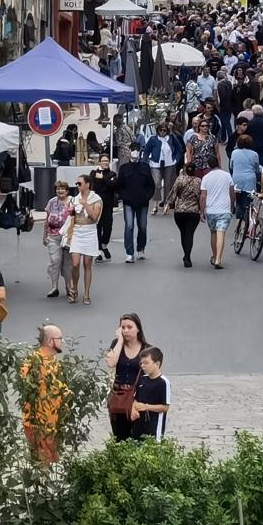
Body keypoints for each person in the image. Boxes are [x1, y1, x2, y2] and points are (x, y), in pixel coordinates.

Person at [20, 324, 67, 464]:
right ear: (50, 341)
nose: (61, 341)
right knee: (42, 463)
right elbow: (23, 381)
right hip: (38, 422)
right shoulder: (34, 360)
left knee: (50, 461)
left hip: (52, 421)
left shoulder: (53, 361)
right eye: (59, 338)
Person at [102, 313, 147, 441]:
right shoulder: (117, 344)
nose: (126, 330)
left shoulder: (146, 349)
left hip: (138, 399)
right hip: (118, 397)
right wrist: (120, 341)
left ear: (138, 328)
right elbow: (111, 362)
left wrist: (138, 402)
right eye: (123, 327)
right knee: (120, 438)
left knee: (137, 439)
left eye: (129, 327)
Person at [66, 174, 103, 304]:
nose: (77, 186)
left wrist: (86, 204)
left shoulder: (96, 199)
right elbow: (70, 217)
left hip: (90, 231)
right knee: (75, 264)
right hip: (77, 231)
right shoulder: (74, 199)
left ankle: (86, 294)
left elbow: (94, 217)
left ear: (87, 184)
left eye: (79, 183)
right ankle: (74, 289)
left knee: (87, 263)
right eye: (76, 183)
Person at [115, 142, 153, 263]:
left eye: (137, 149)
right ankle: (129, 253)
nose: (135, 152)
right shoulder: (124, 168)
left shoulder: (145, 167)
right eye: (133, 149)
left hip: (142, 202)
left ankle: (141, 248)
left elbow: (151, 185)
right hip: (128, 202)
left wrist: (147, 196)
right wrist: (123, 197)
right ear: (129, 151)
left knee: (142, 227)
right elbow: (119, 185)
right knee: (129, 226)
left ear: (140, 151)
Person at [129, 346, 171, 440]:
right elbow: (135, 398)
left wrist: (146, 407)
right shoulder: (142, 379)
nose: (143, 365)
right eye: (141, 363)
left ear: (157, 364)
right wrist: (134, 408)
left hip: (154, 428)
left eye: (146, 363)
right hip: (137, 427)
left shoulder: (163, 382)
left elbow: (165, 407)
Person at [199, 159, 235, 269]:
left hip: (211, 210)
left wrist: (202, 211)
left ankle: (214, 256)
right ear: (219, 164)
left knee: (213, 233)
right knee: (221, 233)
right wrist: (232, 204)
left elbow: (203, 196)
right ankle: (219, 259)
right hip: (224, 209)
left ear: (209, 166)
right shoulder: (227, 175)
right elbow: (232, 192)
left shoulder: (206, 178)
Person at [167, 164, 204, 268]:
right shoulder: (198, 181)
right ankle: (187, 256)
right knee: (189, 234)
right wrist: (202, 210)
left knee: (183, 233)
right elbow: (200, 196)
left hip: (180, 211)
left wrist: (168, 204)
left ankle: (186, 255)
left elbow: (173, 193)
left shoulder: (180, 179)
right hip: (193, 212)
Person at [42, 179, 72, 297]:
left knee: (67, 263)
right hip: (53, 235)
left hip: (67, 236)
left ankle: (68, 286)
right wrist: (44, 235)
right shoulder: (51, 202)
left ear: (67, 191)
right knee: (55, 261)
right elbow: (47, 219)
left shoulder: (72, 202)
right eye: (58, 189)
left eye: (62, 189)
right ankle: (54, 287)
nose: (60, 191)